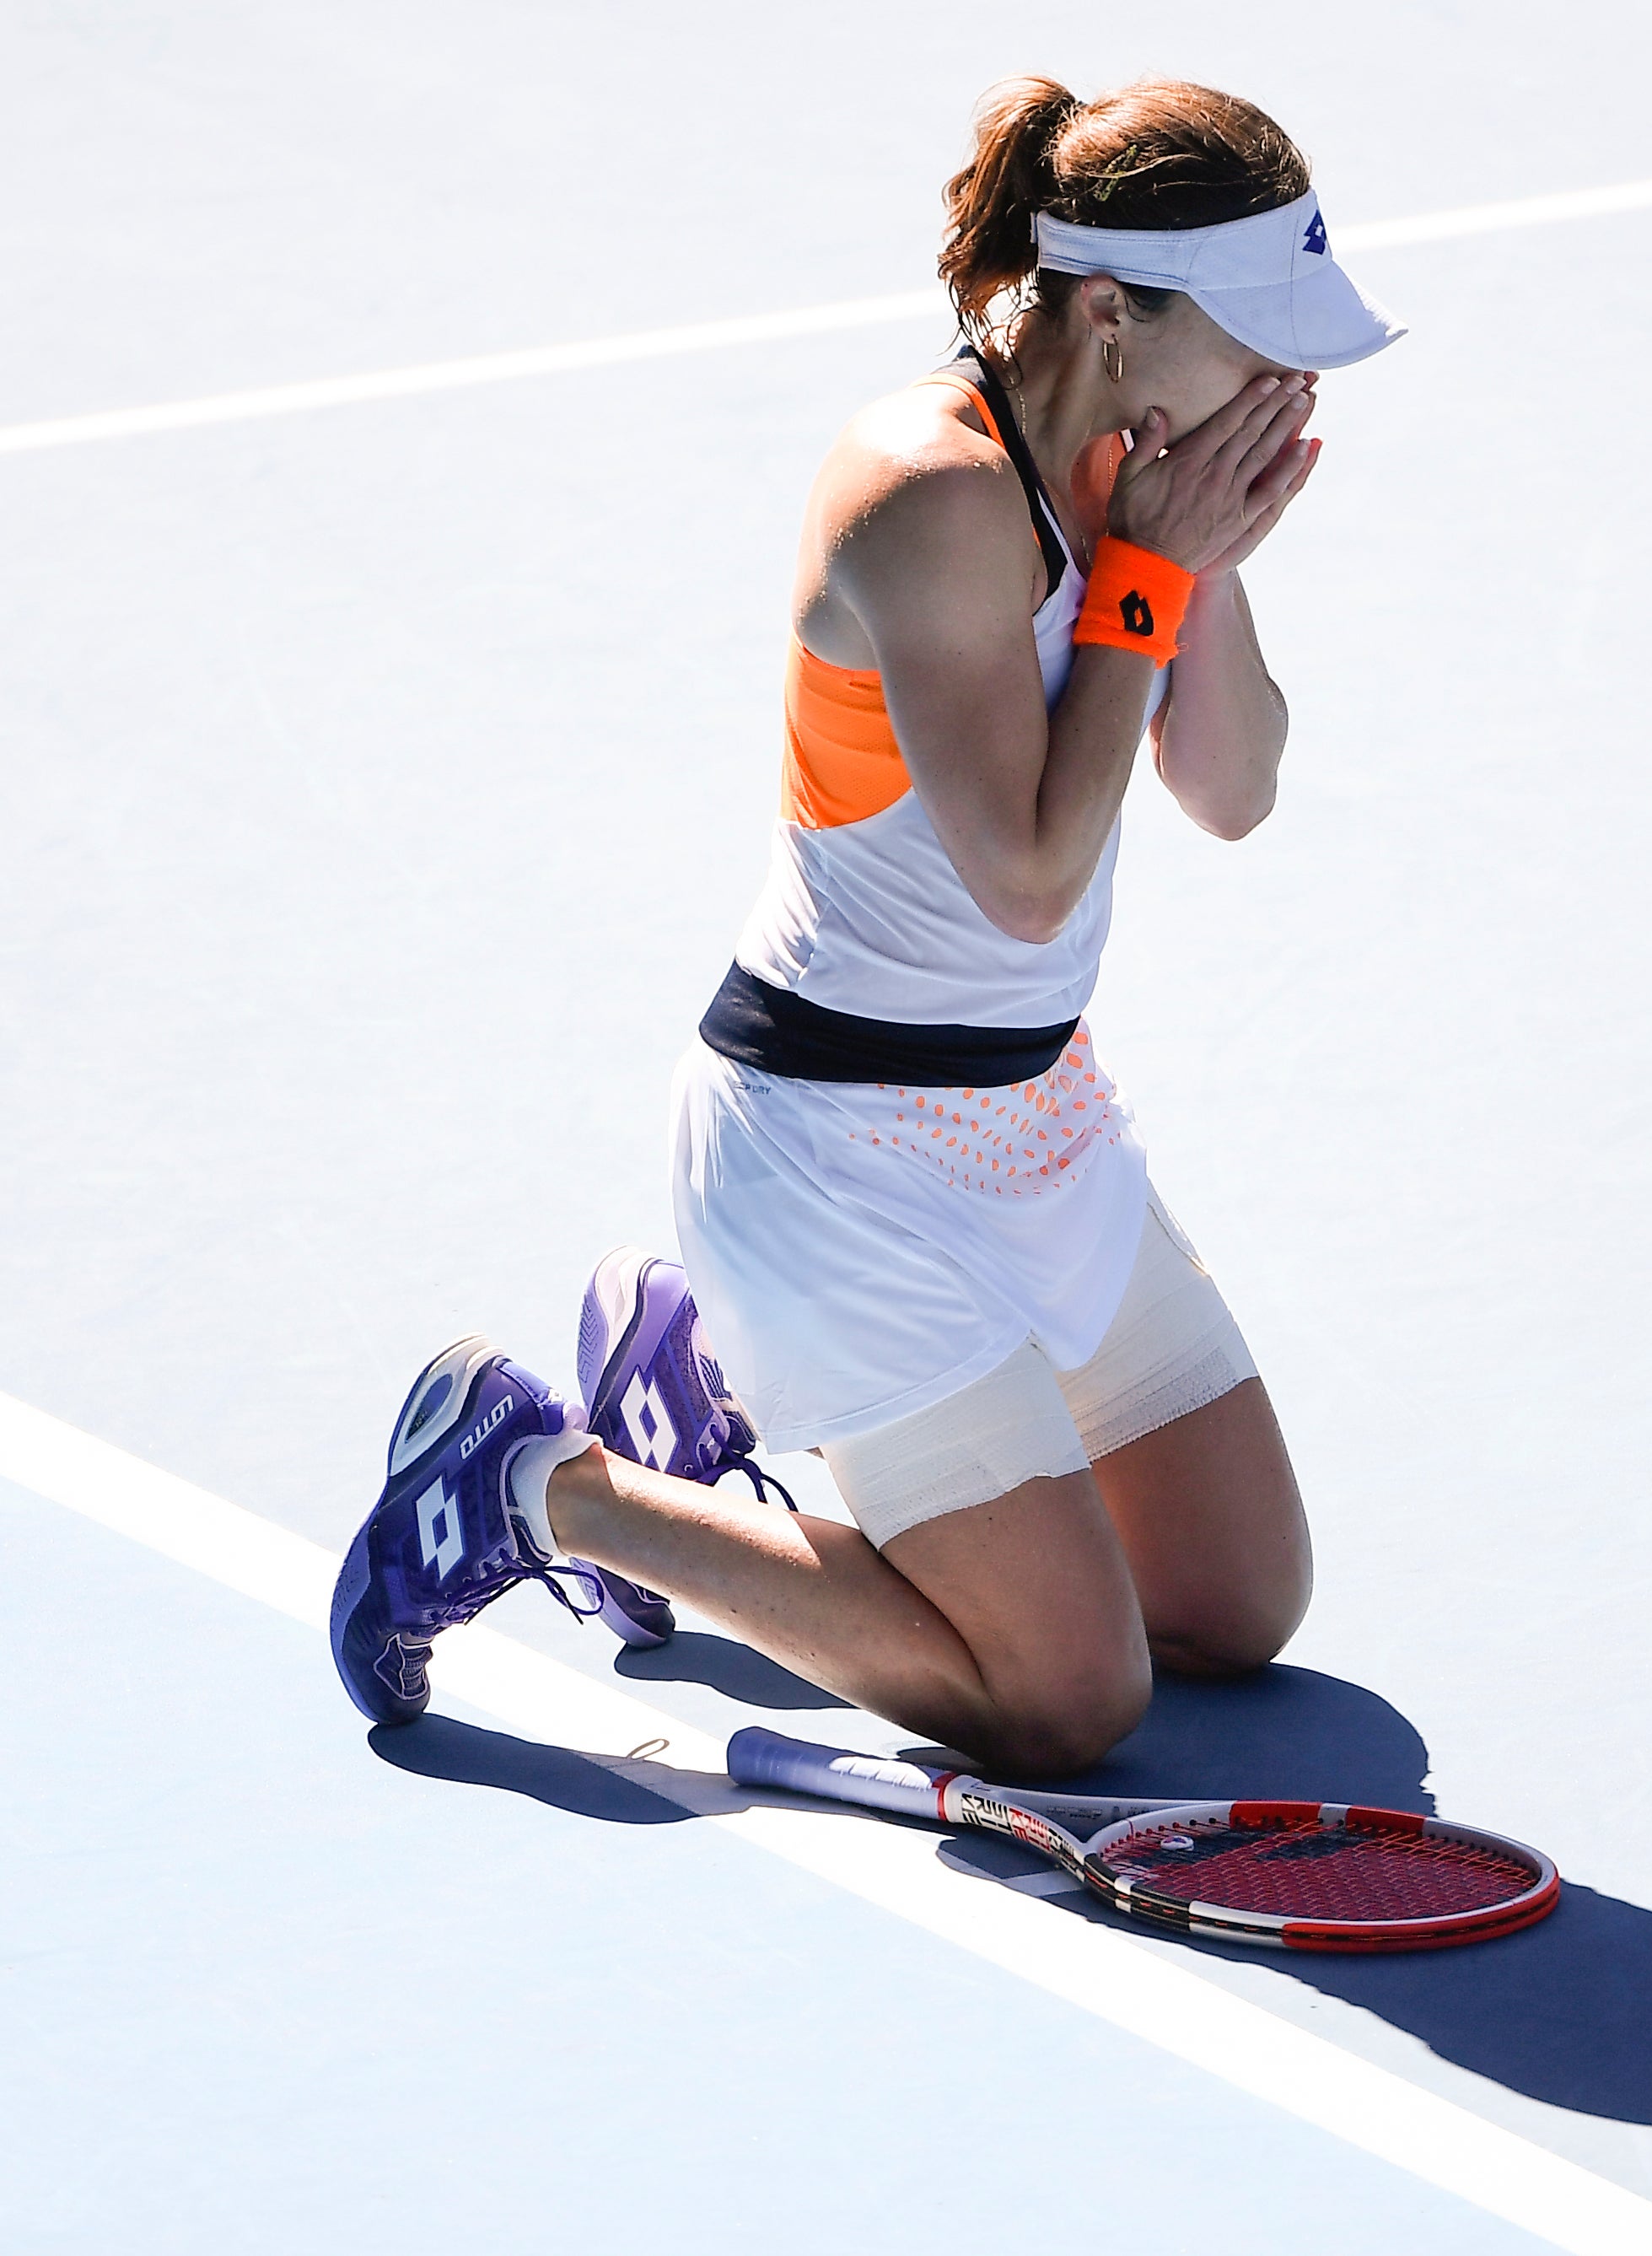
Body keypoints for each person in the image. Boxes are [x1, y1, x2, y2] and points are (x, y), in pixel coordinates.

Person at [329, 75, 1401, 1776]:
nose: (1295, 382)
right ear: (1115, 312)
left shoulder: (1137, 467)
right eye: (1260, 335)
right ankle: (541, 1483)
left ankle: (708, 1384)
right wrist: (1142, 578)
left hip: (1037, 1120)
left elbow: (1232, 787)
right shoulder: (925, 494)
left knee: (1234, 1607)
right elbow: (1028, 876)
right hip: (832, 1161)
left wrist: (1191, 553)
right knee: (1067, 1704)